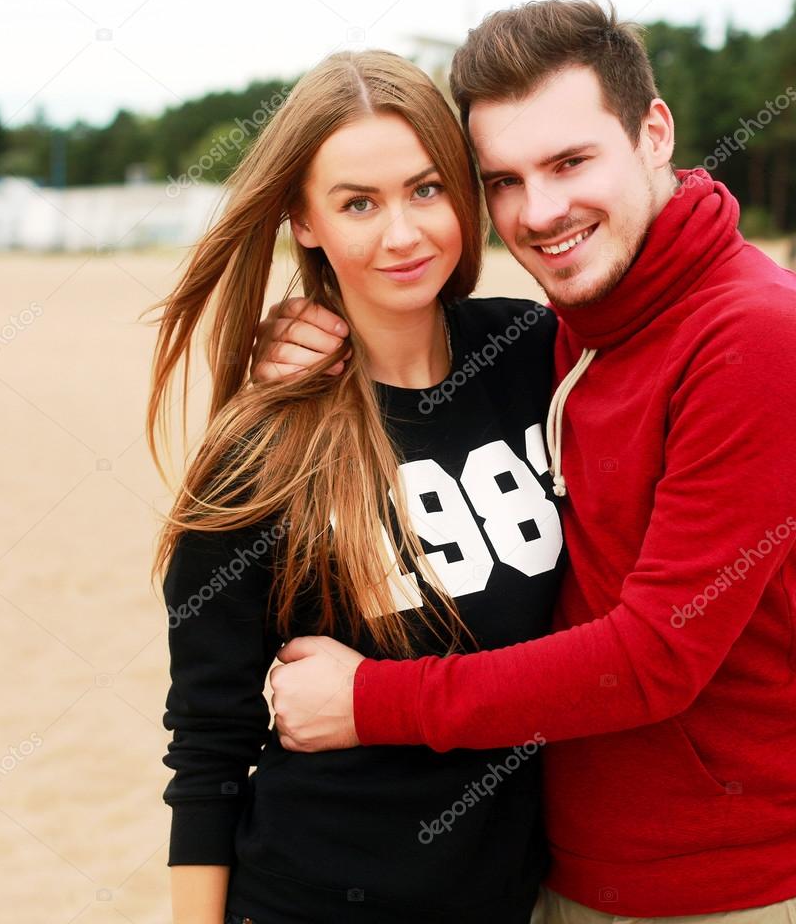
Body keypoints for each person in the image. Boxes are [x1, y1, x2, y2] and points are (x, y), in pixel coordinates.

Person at [259, 0, 796, 924]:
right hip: (560, 874)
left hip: (735, 889)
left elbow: (657, 656)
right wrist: (313, 334)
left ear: (653, 133)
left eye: (571, 162)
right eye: (502, 179)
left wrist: (370, 699)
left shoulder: (759, 334)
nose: (538, 212)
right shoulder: (563, 338)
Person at [146, 49, 569, 924]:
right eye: (357, 203)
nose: (403, 235)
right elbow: (208, 739)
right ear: (305, 221)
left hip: (521, 899)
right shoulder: (266, 445)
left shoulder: (536, 354)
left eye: (425, 189)